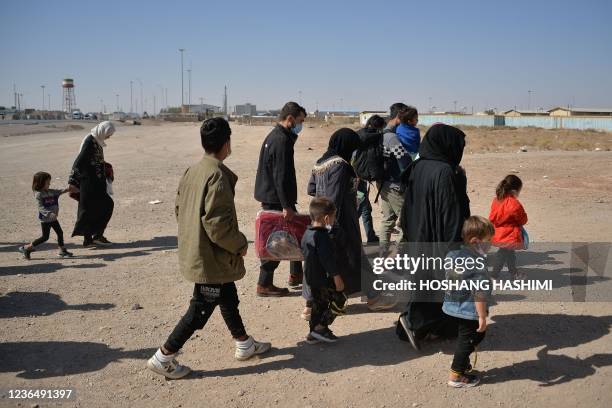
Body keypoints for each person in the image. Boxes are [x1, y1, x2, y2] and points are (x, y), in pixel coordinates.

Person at [147, 118, 270, 379]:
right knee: (200, 307)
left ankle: (244, 344)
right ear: (227, 143)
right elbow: (217, 225)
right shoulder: (217, 176)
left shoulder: (193, 171)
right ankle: (164, 356)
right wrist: (239, 245)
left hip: (201, 252)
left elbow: (180, 210)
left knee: (227, 295)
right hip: (210, 256)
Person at [397, 123, 471, 350]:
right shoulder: (445, 172)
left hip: (419, 235)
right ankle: (413, 322)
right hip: (439, 240)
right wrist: (455, 247)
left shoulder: (418, 166)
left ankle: (430, 327)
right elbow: (451, 214)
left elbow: (406, 206)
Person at [254, 101, 307, 296]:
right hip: (276, 198)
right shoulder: (281, 140)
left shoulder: (277, 136)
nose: (300, 126)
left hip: (275, 195)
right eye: (299, 121)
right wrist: (286, 205)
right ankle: (264, 283)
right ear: (290, 119)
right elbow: (280, 175)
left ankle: (296, 274)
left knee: (295, 232)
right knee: (275, 240)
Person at [443, 216, 494, 388]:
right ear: (475, 241)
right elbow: (479, 293)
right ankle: (456, 375)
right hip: (468, 309)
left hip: (452, 305)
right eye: (489, 241)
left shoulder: (453, 254)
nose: (491, 244)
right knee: (473, 337)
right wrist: (482, 316)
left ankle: (462, 363)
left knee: (467, 337)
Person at [302, 197, 346, 343]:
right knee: (340, 299)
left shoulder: (307, 233)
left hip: (311, 278)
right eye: (333, 217)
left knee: (317, 306)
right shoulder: (322, 237)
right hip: (323, 278)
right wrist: (337, 277)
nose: (334, 220)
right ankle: (320, 327)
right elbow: (328, 260)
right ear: (327, 218)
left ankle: (313, 333)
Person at [68, 121, 115, 247]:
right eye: (108, 134)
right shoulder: (90, 142)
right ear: (102, 131)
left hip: (97, 183)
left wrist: (105, 166)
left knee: (100, 207)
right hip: (88, 183)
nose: (109, 137)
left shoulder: (97, 141)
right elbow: (79, 161)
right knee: (91, 210)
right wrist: (72, 181)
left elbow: (94, 160)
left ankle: (95, 237)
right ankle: (91, 238)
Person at [19, 172, 74, 259]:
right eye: (48, 182)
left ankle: (62, 250)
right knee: (45, 237)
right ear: (41, 183)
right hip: (45, 219)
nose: (49, 184)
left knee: (60, 232)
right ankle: (26, 248)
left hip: (53, 218)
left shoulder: (50, 191)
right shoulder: (39, 195)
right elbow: (40, 207)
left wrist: (68, 189)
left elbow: (59, 191)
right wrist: (49, 214)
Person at [379, 103, 413, 245]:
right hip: (394, 186)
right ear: (399, 117)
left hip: (384, 184)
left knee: (387, 221)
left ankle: (383, 256)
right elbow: (404, 161)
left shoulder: (382, 133)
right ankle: (397, 256)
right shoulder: (392, 137)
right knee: (407, 222)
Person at [489, 175, 528, 280]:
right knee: (502, 254)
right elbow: (523, 219)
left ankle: (513, 272)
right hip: (509, 235)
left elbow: (492, 217)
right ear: (515, 190)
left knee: (510, 254)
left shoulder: (496, 200)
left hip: (498, 233)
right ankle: (493, 275)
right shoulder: (514, 204)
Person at [354, 114, 385, 243]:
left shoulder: (357, 135)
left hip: (357, 177)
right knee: (360, 209)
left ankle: (371, 236)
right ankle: (352, 235)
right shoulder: (379, 138)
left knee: (365, 207)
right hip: (362, 179)